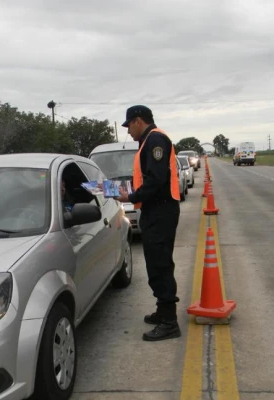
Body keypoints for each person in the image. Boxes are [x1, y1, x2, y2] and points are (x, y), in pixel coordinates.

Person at [116, 105, 181, 342]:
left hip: (161, 211)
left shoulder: (155, 140)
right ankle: (163, 311)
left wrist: (131, 197)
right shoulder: (149, 140)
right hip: (157, 210)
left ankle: (169, 322)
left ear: (138, 121)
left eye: (129, 126)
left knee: (160, 265)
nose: (128, 132)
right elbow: (149, 180)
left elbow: (155, 181)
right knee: (156, 263)